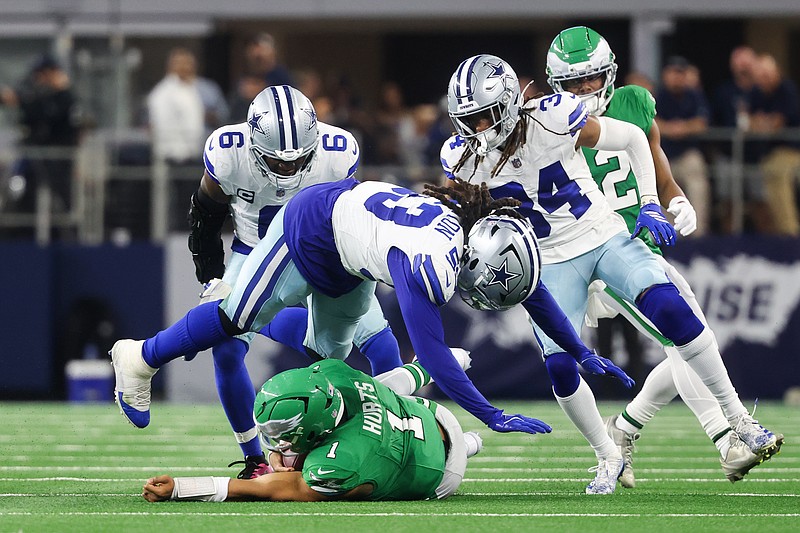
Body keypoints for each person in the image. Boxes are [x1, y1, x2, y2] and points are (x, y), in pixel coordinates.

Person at [440, 52, 781, 494]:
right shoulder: (461, 157)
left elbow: (635, 139)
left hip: (601, 235)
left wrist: (652, 201)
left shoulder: (553, 117)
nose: (477, 129)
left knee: (673, 312)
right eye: (468, 120)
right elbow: (466, 216)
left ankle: (739, 422)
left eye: (485, 116)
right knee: (561, 368)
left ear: (507, 104)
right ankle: (608, 455)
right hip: (548, 260)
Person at [112, 175, 632, 459]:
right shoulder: (430, 263)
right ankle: (140, 357)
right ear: (479, 260)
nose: (492, 299)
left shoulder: (474, 243)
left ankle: (296, 452)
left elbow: (533, 294)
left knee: (327, 366)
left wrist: (581, 350)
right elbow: (429, 354)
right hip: (314, 226)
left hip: (353, 254)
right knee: (232, 319)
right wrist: (490, 415)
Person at [545, 26, 785, 486]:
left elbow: (656, 164)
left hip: (638, 242)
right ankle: (728, 439)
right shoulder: (550, 123)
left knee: (692, 339)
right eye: (574, 83)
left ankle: (625, 428)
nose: (584, 90)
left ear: (608, 75)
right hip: (592, 250)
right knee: (685, 339)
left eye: (592, 79)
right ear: (557, 85)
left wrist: (676, 200)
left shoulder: (635, 103)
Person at [183, 84, 405, 478]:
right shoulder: (227, 151)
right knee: (227, 350)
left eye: (298, 160)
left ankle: (391, 444)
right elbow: (205, 216)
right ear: (253, 145)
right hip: (253, 252)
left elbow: (352, 213)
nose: (287, 169)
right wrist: (213, 276)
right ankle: (254, 459)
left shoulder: (337, 152)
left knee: (381, 344)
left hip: (325, 254)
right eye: (277, 161)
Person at [142, 358, 481, 502]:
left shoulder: (341, 458)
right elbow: (389, 387)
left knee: (323, 479)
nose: (276, 444)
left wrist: (181, 488)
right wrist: (434, 365)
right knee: (377, 389)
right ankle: (466, 436)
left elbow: (273, 489)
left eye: (285, 434)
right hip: (429, 414)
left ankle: (468, 444)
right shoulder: (331, 374)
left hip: (442, 471)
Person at [0, 55, 81, 232]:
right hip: (37, 158)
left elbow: (53, 118)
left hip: (58, 161)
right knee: (19, 193)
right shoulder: (40, 95)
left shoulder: (65, 98)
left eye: (42, 75)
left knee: (60, 202)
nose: (39, 80)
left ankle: (66, 234)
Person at [654, 56, 712, 237]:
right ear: (666, 75)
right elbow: (650, 120)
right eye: (673, 73)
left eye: (680, 73)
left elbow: (703, 122)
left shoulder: (693, 95)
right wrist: (670, 128)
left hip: (687, 153)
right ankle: (668, 235)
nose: (677, 77)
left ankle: (698, 233)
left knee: (698, 181)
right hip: (664, 154)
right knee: (659, 189)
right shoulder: (658, 95)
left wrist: (683, 128)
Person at [750, 54, 800, 236]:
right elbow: (748, 121)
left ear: (776, 73)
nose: (765, 79)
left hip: (792, 149)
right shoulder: (756, 92)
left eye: (768, 75)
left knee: (778, 172)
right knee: (769, 176)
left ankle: (790, 231)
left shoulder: (787, 88)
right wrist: (762, 123)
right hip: (769, 153)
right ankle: (784, 231)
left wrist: (763, 123)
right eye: (761, 76)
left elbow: (777, 123)